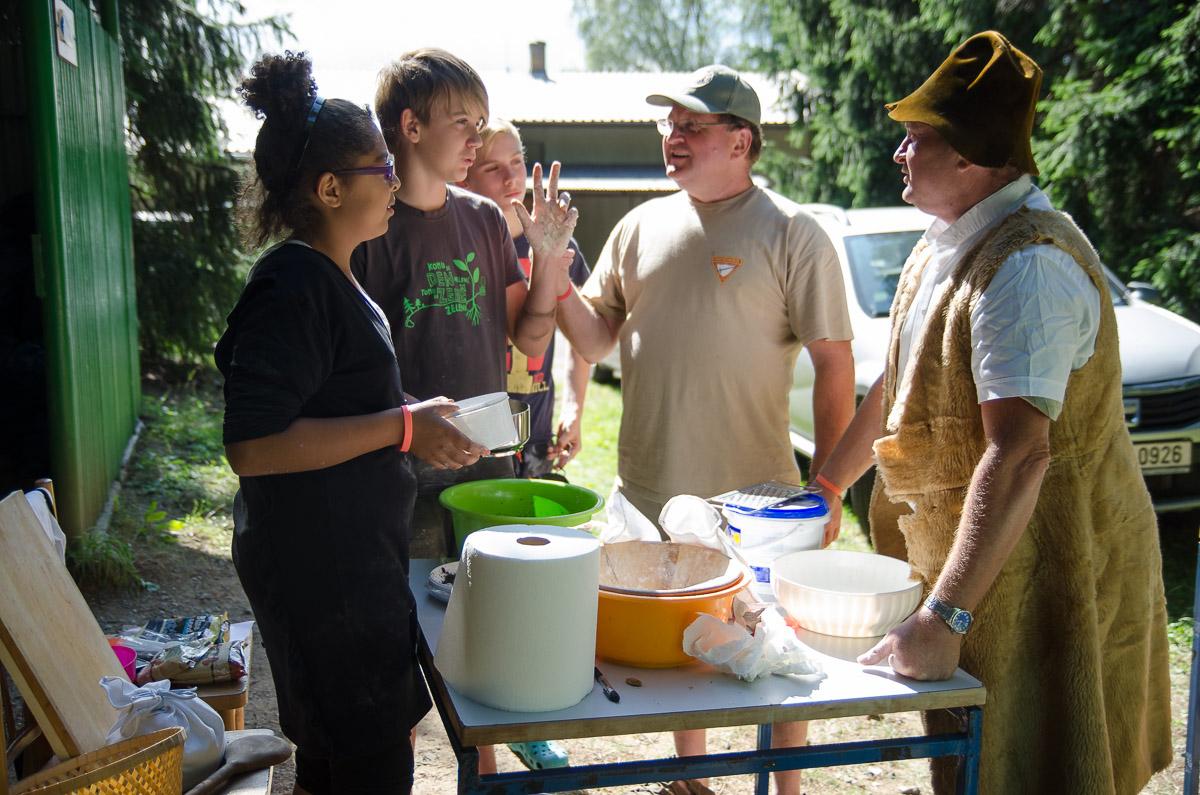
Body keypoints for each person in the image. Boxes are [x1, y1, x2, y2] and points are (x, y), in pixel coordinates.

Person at [810, 31, 1172, 793]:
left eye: (917, 138)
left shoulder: (1028, 268)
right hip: (983, 569)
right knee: (980, 760)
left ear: (972, 155)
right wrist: (830, 486)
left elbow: (1021, 452)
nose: (899, 152)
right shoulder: (946, 242)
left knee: (1045, 760)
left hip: (1053, 569)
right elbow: (899, 381)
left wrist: (945, 617)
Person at [551, 65, 855, 795]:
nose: (672, 137)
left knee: (775, 657)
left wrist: (828, 485)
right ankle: (691, 781)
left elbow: (835, 364)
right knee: (678, 654)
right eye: (669, 125)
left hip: (760, 504)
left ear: (741, 141)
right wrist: (553, 268)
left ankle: (786, 789)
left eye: (692, 126)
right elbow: (593, 339)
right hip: (653, 488)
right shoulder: (639, 226)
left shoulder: (794, 232)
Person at [216, 52, 488, 795]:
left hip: (349, 565)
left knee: (337, 758)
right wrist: (403, 427)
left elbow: (340, 403)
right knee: (370, 764)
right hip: (320, 575)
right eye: (382, 168)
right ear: (331, 189)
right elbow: (252, 445)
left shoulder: (334, 275)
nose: (395, 181)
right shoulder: (292, 283)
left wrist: (416, 420)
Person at [351, 48, 577, 554]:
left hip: (487, 464)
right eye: (462, 124)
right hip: (399, 472)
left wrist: (545, 260)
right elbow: (350, 372)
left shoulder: (486, 218)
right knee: (418, 597)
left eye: (479, 124)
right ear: (411, 126)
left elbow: (530, 338)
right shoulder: (364, 228)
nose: (476, 140)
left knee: (486, 595)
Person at [460, 118, 591, 478]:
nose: (511, 178)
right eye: (493, 168)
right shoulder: (458, 245)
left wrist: (574, 407)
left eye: (517, 161)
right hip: (473, 436)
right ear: (465, 176)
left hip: (535, 436)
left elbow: (583, 334)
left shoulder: (558, 242)